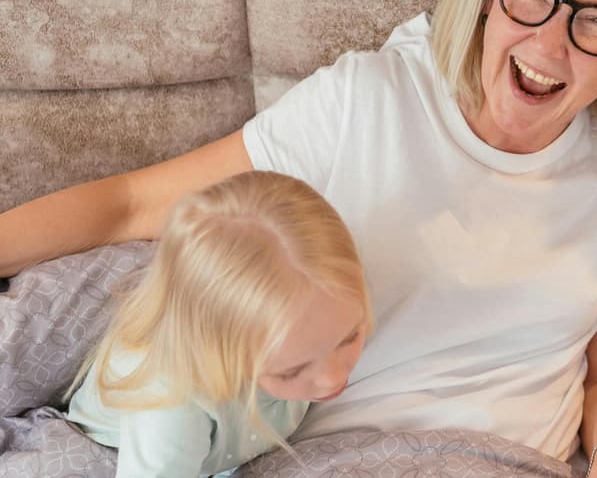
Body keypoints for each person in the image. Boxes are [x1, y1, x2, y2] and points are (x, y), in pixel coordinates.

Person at [0, 0, 597, 476]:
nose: (548, 42)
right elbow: (132, 205)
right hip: (327, 457)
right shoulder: (368, 101)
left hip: (508, 459)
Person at [65, 171, 371, 477]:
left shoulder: (322, 297)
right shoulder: (171, 405)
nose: (333, 378)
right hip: (112, 452)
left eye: (350, 337)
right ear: (221, 350)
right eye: (292, 371)